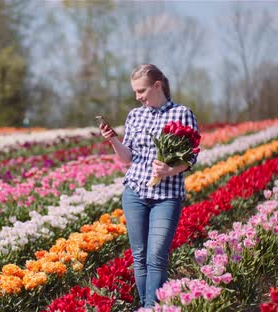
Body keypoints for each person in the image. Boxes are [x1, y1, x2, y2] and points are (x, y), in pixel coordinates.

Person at [99, 64, 199, 308]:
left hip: (167, 195)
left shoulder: (182, 113)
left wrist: (169, 170)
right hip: (135, 193)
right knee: (140, 257)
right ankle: (146, 306)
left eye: (141, 91)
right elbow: (128, 158)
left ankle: (151, 306)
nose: (138, 97)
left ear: (158, 86)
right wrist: (113, 140)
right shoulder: (135, 115)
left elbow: (191, 157)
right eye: (135, 92)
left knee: (156, 257)